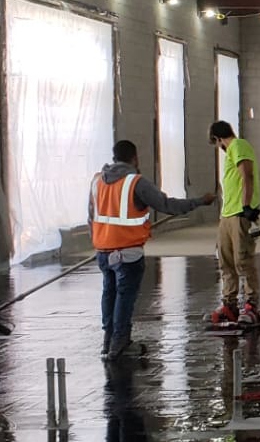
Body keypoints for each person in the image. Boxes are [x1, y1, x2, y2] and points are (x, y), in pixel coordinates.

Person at [89, 140, 215, 359]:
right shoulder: (136, 182)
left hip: (103, 251)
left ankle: (108, 340)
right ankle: (119, 343)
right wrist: (200, 202)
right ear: (134, 158)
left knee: (108, 294)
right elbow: (167, 205)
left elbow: (91, 216)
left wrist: (100, 241)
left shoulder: (97, 181)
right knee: (124, 298)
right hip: (128, 253)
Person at [207, 121, 260, 326]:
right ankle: (229, 306)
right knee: (226, 262)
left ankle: (251, 307)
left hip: (240, 214)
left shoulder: (238, 145)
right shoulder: (231, 150)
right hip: (227, 215)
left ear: (218, 139)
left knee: (243, 261)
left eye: (216, 143)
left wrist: (247, 206)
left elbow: (247, 174)